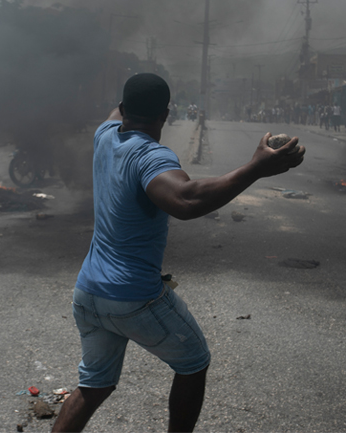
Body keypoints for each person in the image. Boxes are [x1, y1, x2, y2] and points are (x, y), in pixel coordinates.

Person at [51, 73, 305, 433]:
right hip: (132, 297)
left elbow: (118, 109)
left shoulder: (105, 134)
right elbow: (186, 200)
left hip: (89, 292)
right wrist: (256, 168)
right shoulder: (150, 156)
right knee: (194, 361)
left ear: (123, 109)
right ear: (166, 115)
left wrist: (129, 95)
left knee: (95, 384)